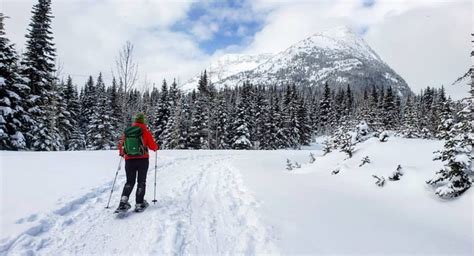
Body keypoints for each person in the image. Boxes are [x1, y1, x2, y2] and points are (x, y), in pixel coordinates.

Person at [117, 113, 159, 212]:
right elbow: (153, 146)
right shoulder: (145, 131)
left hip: (129, 160)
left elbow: (121, 145)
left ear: (135, 121)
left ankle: (123, 203)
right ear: (143, 121)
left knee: (129, 181)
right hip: (142, 160)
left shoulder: (127, 132)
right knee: (141, 181)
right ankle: (139, 203)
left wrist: (122, 153)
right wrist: (157, 147)